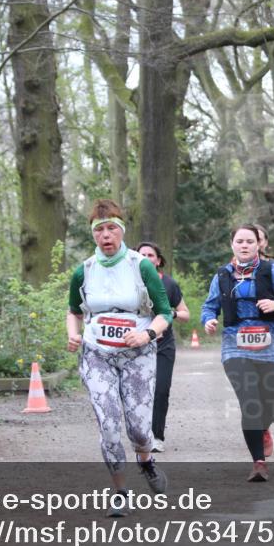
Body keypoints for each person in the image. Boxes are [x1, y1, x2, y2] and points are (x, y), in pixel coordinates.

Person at [67, 199, 173, 517]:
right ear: (93, 235)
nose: (106, 235)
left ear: (122, 231)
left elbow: (164, 312)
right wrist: (73, 333)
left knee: (141, 430)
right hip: (97, 354)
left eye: (112, 228)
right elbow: (74, 311)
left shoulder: (141, 266)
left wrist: (147, 334)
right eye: (99, 230)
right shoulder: (83, 271)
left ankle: (146, 461)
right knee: (109, 424)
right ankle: (120, 492)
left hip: (138, 354)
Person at [201, 224, 274, 482]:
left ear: (259, 244)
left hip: (269, 342)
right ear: (232, 245)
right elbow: (210, 306)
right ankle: (258, 462)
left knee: (268, 399)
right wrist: (209, 320)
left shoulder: (273, 271)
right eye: (239, 241)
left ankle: (269, 415)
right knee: (250, 403)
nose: (244, 245)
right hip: (234, 344)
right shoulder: (222, 275)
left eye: (250, 241)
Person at [135, 242, 190, 453]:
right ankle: (140, 433)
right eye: (142, 255)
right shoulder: (127, 284)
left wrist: (171, 314)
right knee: (138, 392)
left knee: (160, 391)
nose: (147, 258)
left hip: (162, 346)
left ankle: (157, 437)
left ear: (158, 260)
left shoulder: (169, 284)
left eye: (151, 255)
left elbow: (185, 314)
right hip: (135, 347)